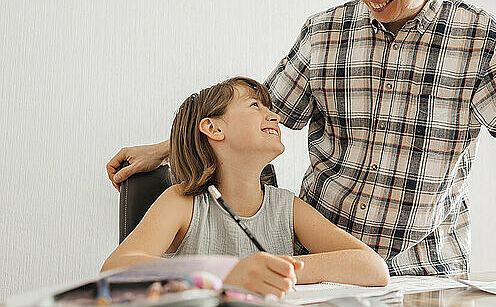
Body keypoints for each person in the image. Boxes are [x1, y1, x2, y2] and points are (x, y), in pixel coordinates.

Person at [107, 0, 496, 276]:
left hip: (425, 268)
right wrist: (171, 147)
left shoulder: (483, 40)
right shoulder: (324, 33)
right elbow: (261, 115)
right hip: (320, 265)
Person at [102, 77, 389, 297]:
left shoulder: (285, 206)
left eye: (269, 108)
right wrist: (225, 273)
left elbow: (373, 267)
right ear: (214, 129)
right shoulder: (182, 202)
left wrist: (276, 270)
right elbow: (114, 269)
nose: (275, 116)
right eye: (255, 106)